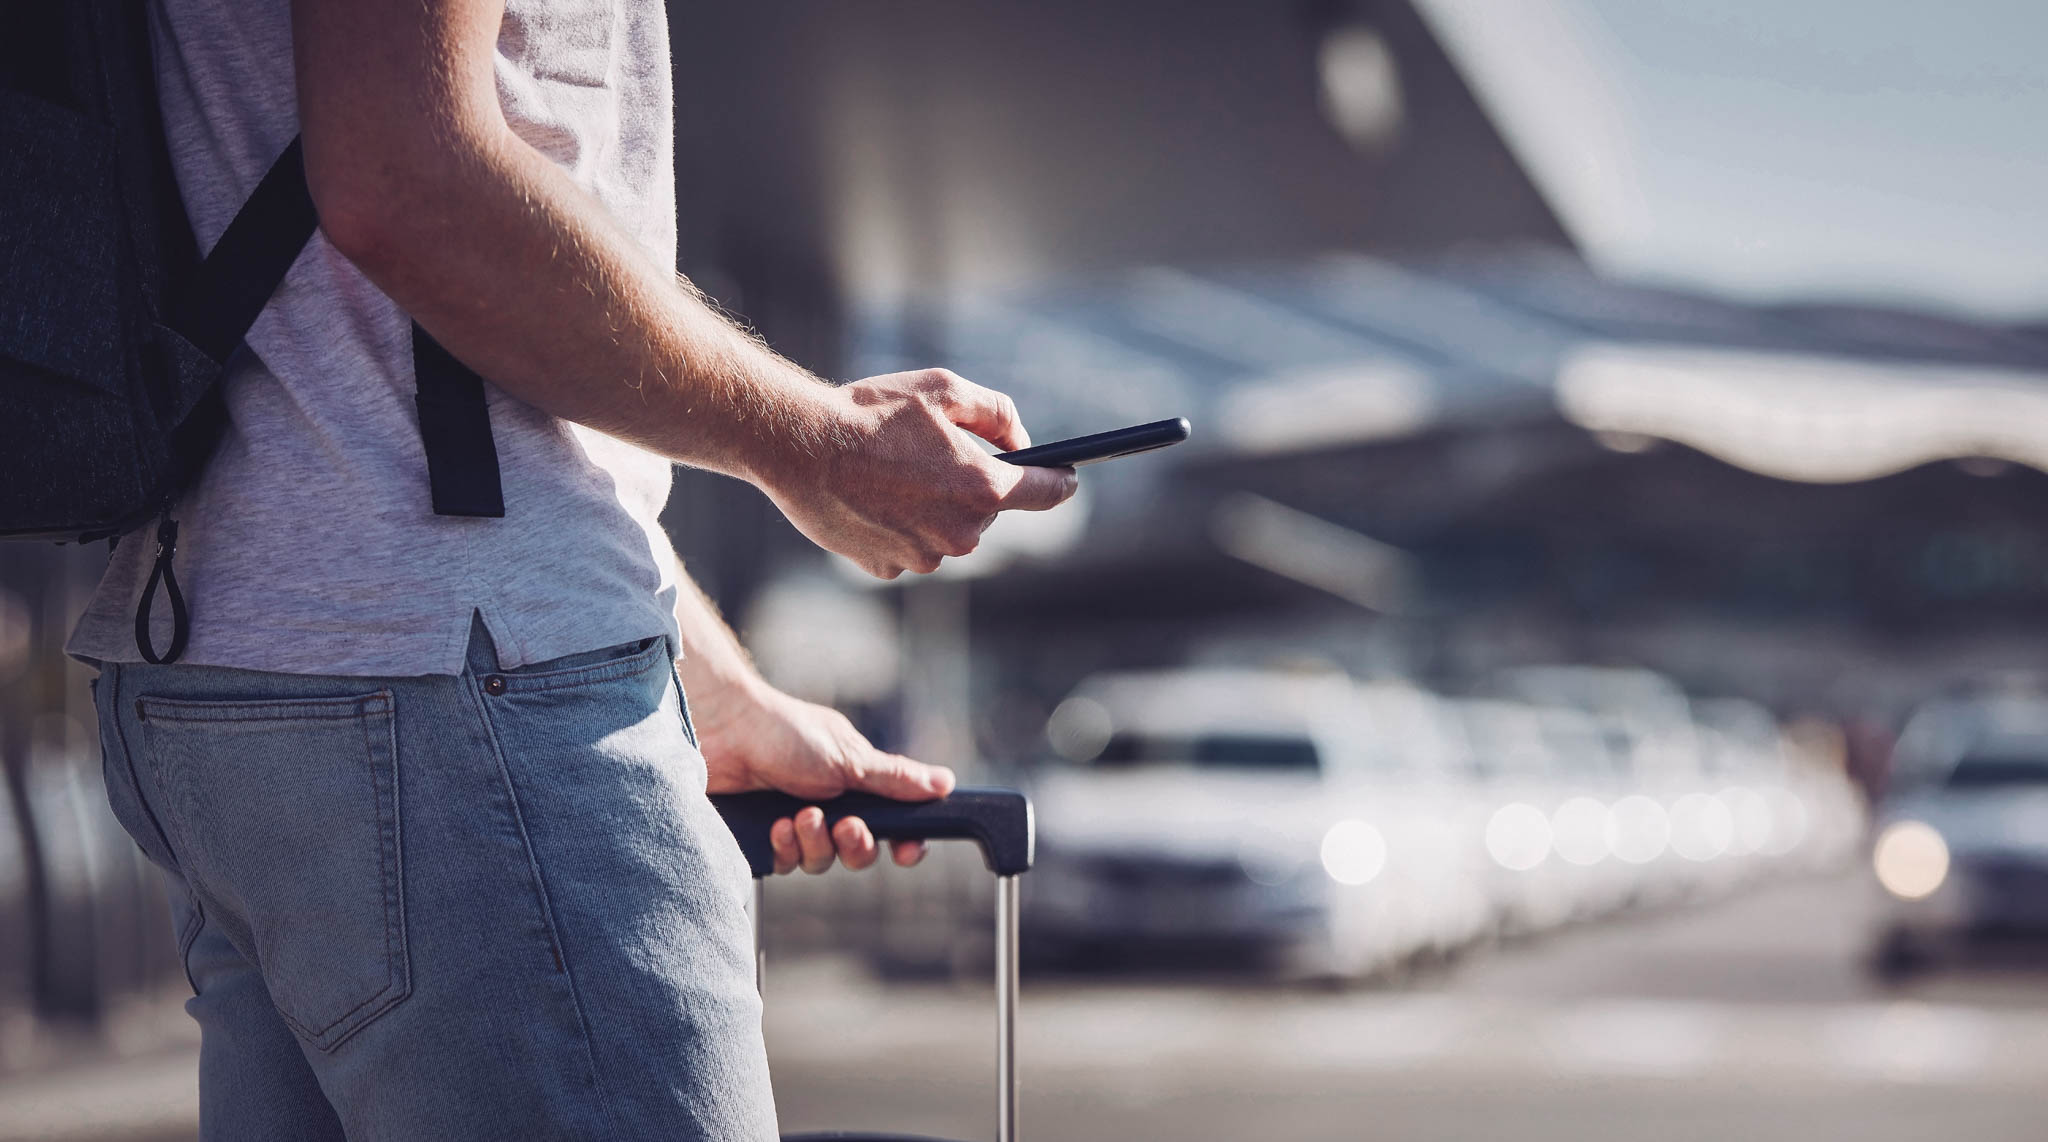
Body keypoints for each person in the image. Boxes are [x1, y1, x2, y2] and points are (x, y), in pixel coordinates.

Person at [68, 0, 1079, 1137]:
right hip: (452, 703)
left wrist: (713, 686)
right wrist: (819, 444)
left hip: (224, 672)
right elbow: (403, 178)